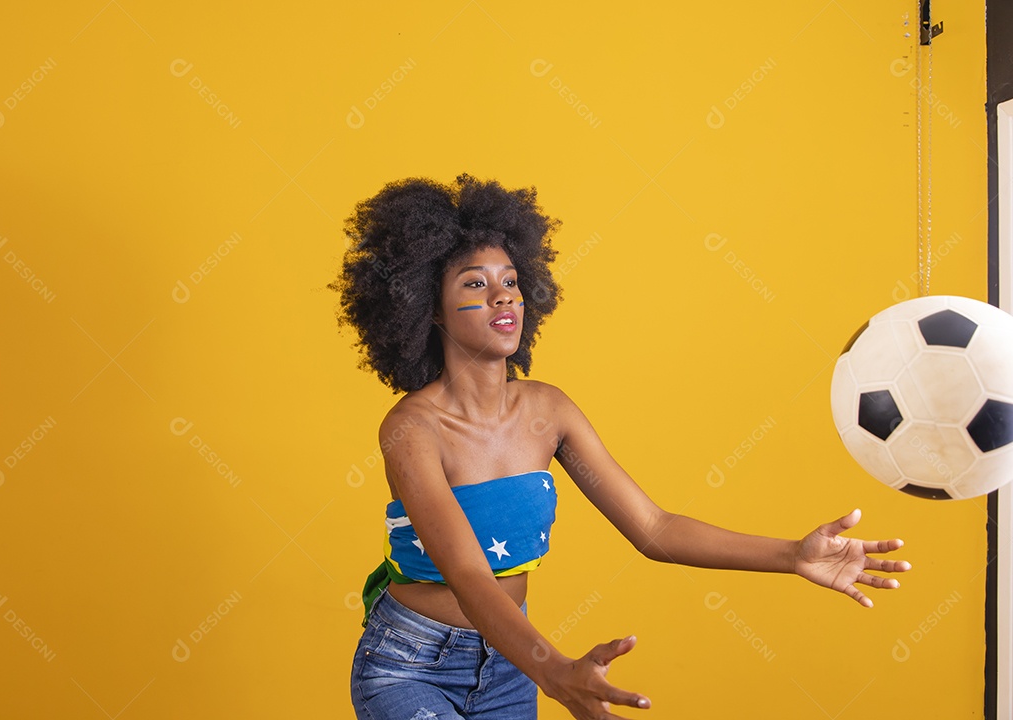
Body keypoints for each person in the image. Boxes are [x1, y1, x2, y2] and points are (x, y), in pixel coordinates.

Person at [332, 175, 910, 720]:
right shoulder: (411, 429)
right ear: (429, 307)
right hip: (413, 665)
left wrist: (792, 555)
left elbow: (654, 528)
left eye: (510, 280)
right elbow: (467, 572)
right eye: (475, 285)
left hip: (510, 662)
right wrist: (556, 673)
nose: (502, 297)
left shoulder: (548, 410)